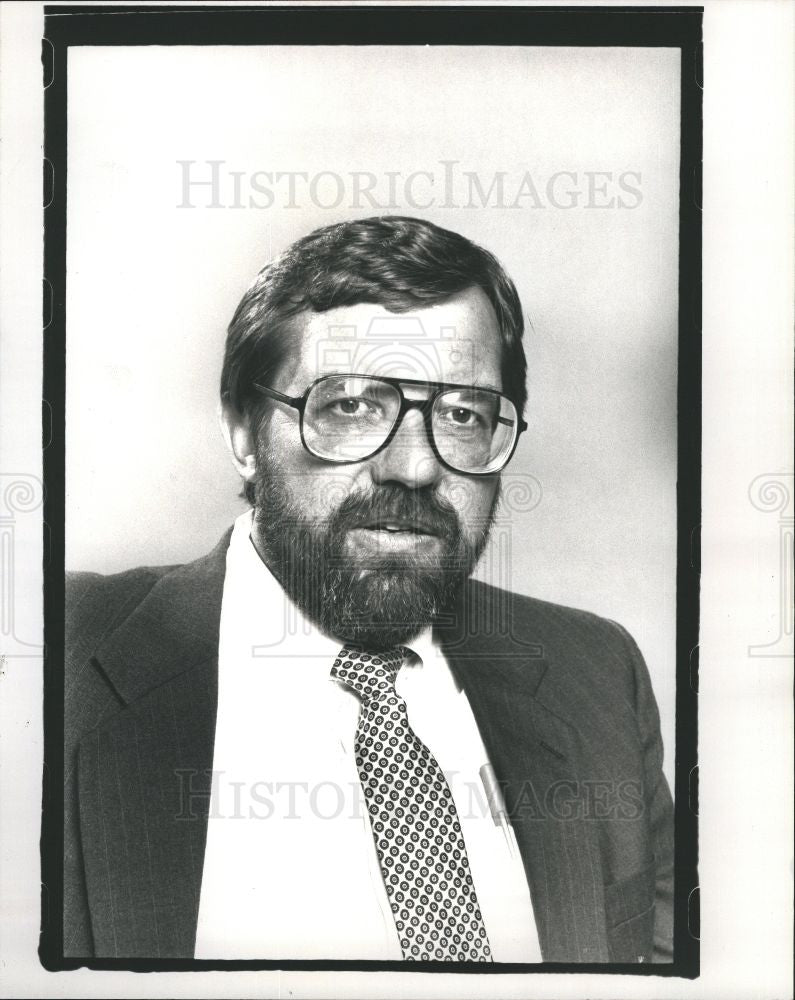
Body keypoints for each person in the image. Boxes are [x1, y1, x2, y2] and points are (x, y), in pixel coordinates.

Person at [63, 215, 673, 963]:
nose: (414, 467)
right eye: (352, 405)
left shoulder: (596, 676)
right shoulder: (55, 657)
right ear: (244, 432)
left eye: (461, 413)